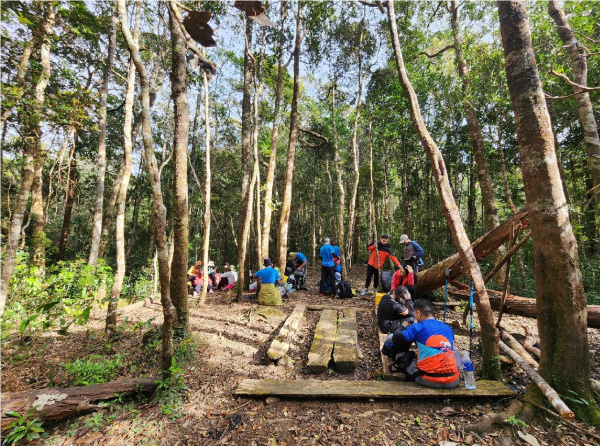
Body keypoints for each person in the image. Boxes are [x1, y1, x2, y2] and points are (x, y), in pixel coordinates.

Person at [385, 298, 461, 389]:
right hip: (453, 381)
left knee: (400, 355)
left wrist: (403, 325)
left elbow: (397, 337)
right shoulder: (448, 328)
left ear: (419, 313)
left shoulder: (418, 327)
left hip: (427, 379)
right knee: (455, 352)